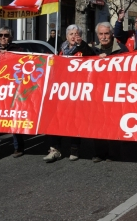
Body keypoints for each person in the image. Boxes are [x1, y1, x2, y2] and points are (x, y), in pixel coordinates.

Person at [44, 25, 95, 163]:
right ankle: (54, 149)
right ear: (66, 36)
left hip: (77, 91)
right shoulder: (61, 49)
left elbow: (91, 55)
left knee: (74, 120)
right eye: (71, 34)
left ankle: (74, 149)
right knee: (56, 120)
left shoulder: (83, 48)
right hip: (61, 91)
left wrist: (81, 45)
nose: (74, 36)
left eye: (76, 33)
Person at [91, 22, 129, 162]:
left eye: (106, 33)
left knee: (113, 122)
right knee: (97, 123)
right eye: (101, 34)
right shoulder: (93, 51)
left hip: (115, 93)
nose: (104, 36)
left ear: (112, 34)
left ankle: (114, 152)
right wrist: (96, 61)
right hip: (97, 94)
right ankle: (100, 152)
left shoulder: (122, 50)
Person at [0, 27, 24, 162]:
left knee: (13, 117)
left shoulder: (17, 50)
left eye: (6, 35)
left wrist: (8, 56)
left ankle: (18, 147)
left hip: (12, 90)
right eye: (1, 35)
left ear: (11, 37)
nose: (3, 37)